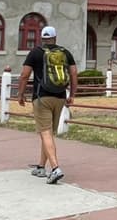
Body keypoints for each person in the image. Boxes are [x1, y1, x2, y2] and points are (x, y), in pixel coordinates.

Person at [18, 26, 78, 185]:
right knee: (48, 133)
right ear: (55, 38)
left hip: (42, 97)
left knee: (45, 133)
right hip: (59, 97)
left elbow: (24, 75)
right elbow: (73, 74)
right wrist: (72, 94)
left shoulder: (35, 52)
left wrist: (21, 94)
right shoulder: (65, 52)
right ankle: (40, 167)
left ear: (41, 38)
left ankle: (55, 168)